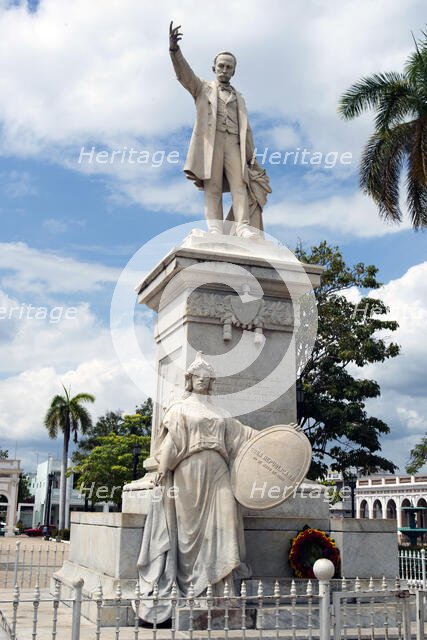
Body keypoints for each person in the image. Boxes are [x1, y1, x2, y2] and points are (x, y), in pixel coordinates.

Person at [137, 352, 257, 623]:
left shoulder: (221, 412)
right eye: (197, 378)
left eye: (206, 378)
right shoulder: (179, 408)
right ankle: (194, 589)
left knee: (226, 525)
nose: (202, 382)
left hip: (219, 471)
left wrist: (282, 437)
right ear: (190, 380)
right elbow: (171, 442)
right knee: (188, 536)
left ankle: (224, 591)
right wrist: (162, 469)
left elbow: (245, 436)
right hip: (188, 473)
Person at [169, 22, 271, 238]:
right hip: (211, 143)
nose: (224, 70)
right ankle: (214, 228)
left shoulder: (239, 97)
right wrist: (175, 51)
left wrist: (253, 159)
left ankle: (243, 227)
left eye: (229, 67)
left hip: (234, 144)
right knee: (212, 187)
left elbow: (247, 130)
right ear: (213, 67)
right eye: (221, 66)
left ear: (234, 71)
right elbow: (184, 75)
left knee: (240, 185)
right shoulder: (202, 88)